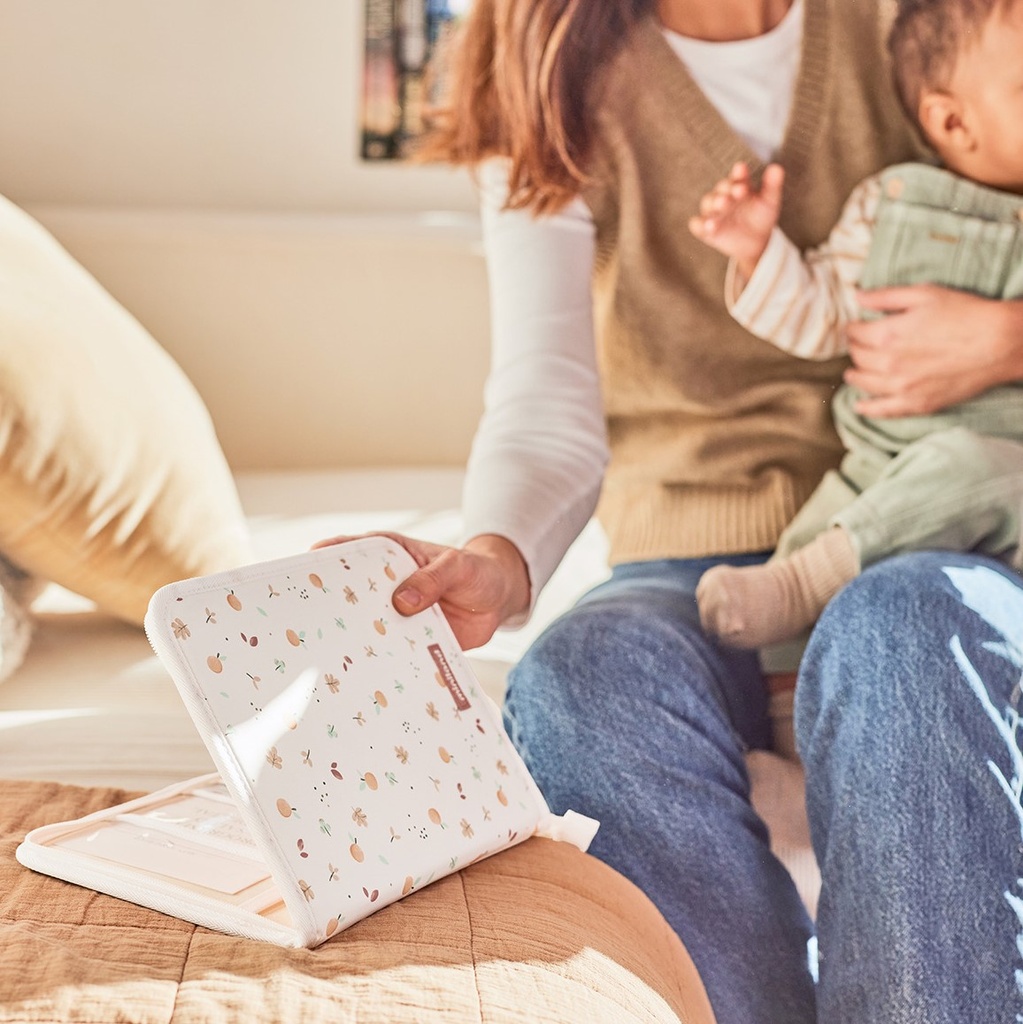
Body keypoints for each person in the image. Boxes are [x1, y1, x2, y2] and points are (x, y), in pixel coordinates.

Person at [317, 1, 1023, 1020]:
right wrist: (500, 559)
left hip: (934, 524)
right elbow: (545, 397)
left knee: (903, 627)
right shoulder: (546, 70)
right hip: (689, 554)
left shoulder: (929, 20)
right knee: (577, 679)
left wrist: (1008, 337)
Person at [689, 0, 1023, 652]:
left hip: (1007, 484)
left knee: (973, 466)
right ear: (952, 121)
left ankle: (805, 583)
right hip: (879, 469)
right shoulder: (889, 207)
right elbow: (822, 316)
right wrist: (758, 255)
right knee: (788, 583)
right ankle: (788, 706)